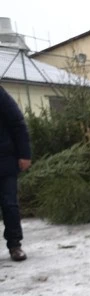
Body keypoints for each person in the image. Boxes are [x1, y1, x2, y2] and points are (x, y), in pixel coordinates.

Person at [0, 87, 31, 262]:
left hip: (4, 161)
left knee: (9, 204)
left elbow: (18, 123)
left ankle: (15, 245)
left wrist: (25, 154)